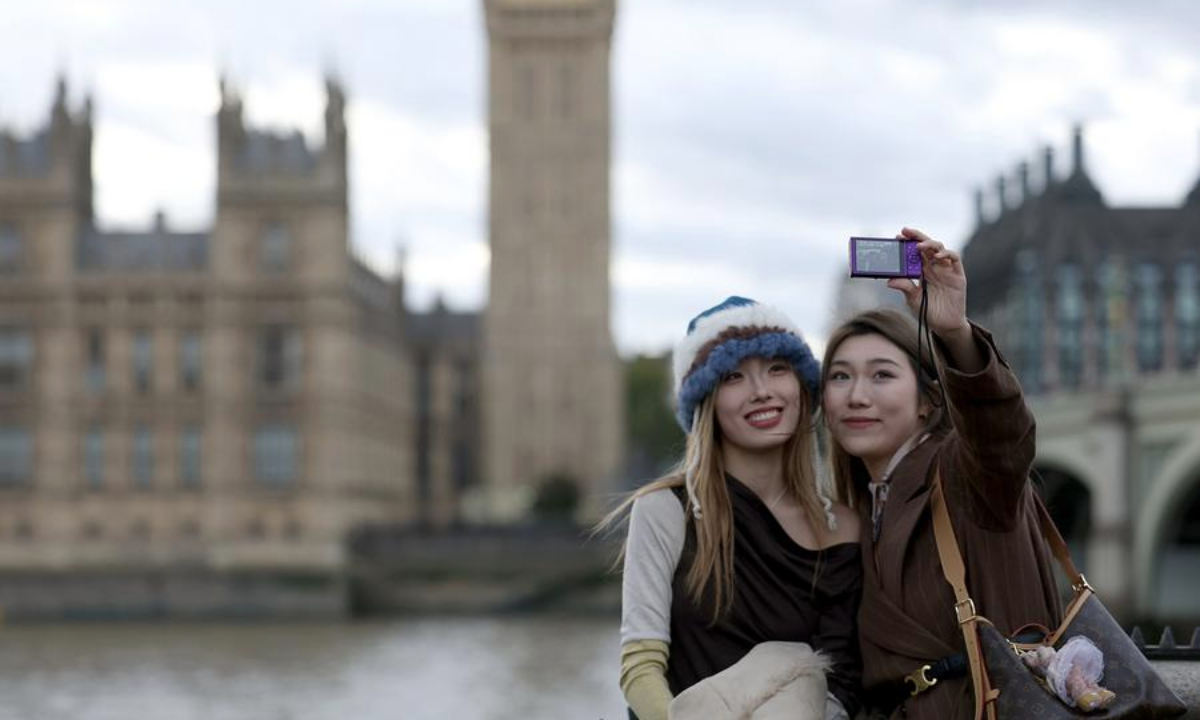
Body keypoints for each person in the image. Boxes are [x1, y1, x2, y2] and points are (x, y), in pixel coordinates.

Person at [821, 227, 1062, 720]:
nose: (856, 395)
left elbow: (1002, 437)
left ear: (929, 401)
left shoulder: (964, 474)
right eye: (840, 376)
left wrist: (955, 334)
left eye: (882, 374)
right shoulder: (862, 509)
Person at [613, 296, 863, 720]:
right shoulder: (665, 510)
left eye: (777, 369)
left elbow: (843, 681)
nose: (762, 391)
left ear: (802, 387)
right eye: (733, 377)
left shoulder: (841, 526)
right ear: (706, 403)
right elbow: (640, 667)